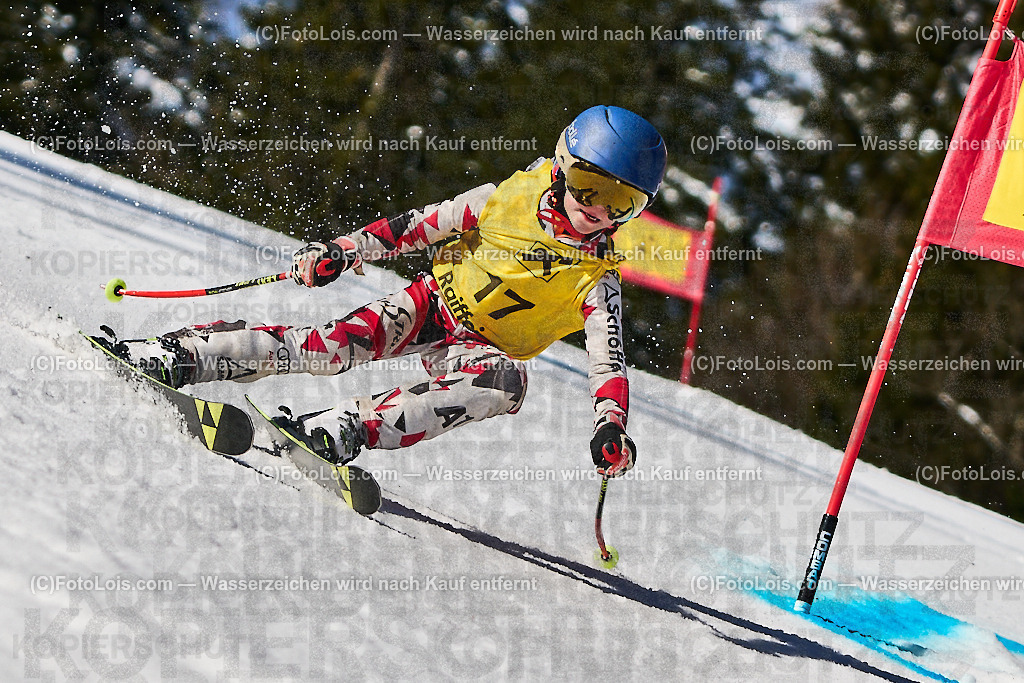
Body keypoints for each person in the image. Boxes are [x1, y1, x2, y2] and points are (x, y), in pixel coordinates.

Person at [106, 105, 667, 478]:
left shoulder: (600, 279)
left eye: (623, 204)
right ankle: (185, 354)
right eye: (592, 187)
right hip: (432, 303)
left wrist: (610, 426)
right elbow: (417, 227)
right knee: (327, 349)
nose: (598, 211)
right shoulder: (503, 200)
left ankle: (344, 428)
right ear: (565, 166)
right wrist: (344, 251)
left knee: (506, 383)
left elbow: (608, 362)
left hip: (476, 348)